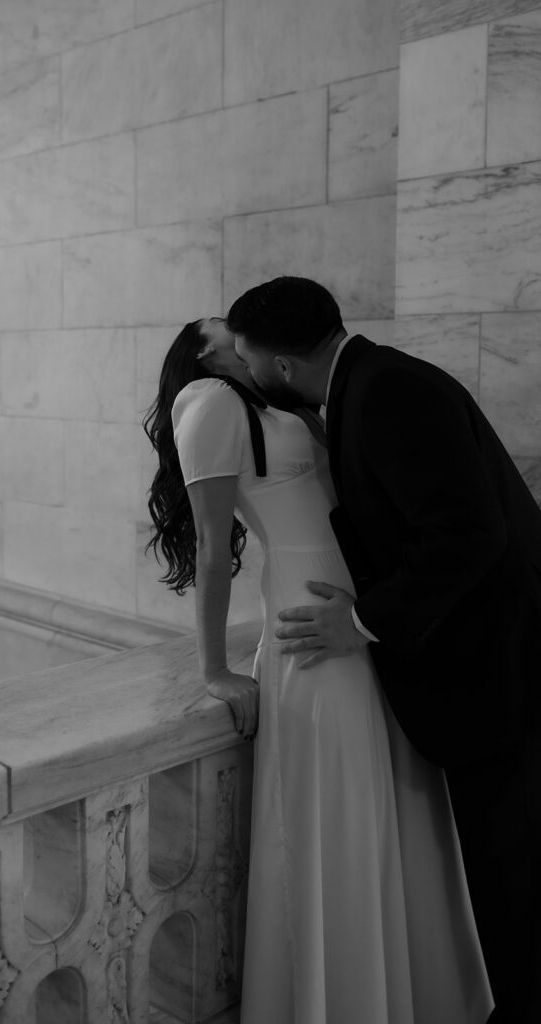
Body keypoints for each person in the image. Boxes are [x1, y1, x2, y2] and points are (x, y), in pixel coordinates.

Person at [145, 315, 493, 1024]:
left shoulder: (276, 402)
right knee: (339, 810)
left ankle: (415, 998)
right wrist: (213, 670)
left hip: (363, 620)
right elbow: (212, 547)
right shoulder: (208, 401)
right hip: (309, 622)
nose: (237, 332)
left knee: (392, 798)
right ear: (202, 354)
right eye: (222, 330)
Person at [227, 276, 541, 1024]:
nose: (243, 371)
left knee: (513, 874)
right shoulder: (374, 381)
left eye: (245, 357)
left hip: (498, 668)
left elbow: (468, 533)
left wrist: (364, 621)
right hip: (495, 661)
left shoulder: (386, 393)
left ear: (280, 364)